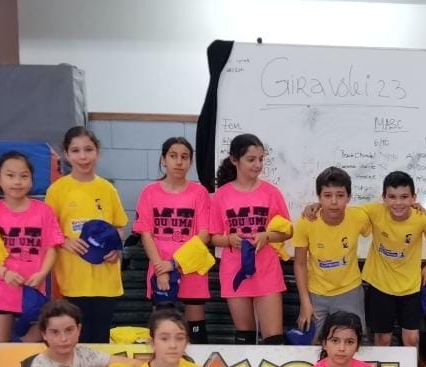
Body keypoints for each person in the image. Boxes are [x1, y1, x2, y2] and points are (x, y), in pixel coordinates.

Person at [45, 126, 128, 343]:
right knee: (76, 341)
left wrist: (115, 248)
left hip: (105, 283)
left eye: (88, 149)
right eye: (76, 150)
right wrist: (65, 241)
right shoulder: (57, 190)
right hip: (73, 281)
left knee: (100, 342)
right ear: (66, 154)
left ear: (97, 152)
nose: (83, 156)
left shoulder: (107, 189)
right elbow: (48, 230)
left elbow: (119, 227)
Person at [211, 133, 292, 344]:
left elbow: (287, 231)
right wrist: (229, 240)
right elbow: (213, 237)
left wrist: (267, 236)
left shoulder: (271, 193)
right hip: (234, 271)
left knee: (273, 338)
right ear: (234, 160)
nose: (257, 165)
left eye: (261, 159)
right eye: (251, 159)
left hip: (267, 270)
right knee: (244, 337)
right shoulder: (221, 195)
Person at [0, 151, 60, 352]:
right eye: (10, 175)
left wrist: (42, 274)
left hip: (33, 291)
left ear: (31, 180)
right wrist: (4, 273)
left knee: (30, 352)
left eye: (23, 176)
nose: (17, 182)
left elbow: (52, 248)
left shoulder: (44, 211)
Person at [135, 137, 214, 342]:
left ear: (191, 162)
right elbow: (145, 233)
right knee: (163, 325)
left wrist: (175, 263)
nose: (179, 162)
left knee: (195, 330)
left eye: (184, 157)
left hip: (191, 267)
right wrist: (161, 268)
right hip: (160, 269)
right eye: (173, 156)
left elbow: (204, 234)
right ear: (163, 159)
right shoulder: (149, 192)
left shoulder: (199, 192)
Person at [361, 171, 426, 349]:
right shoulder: (374, 211)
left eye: (404, 197)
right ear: (384, 198)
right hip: (380, 284)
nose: (398, 203)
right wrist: (318, 206)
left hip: (410, 285)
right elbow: (344, 212)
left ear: (413, 198)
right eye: (392, 197)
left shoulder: (421, 217)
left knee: (411, 338)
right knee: (383, 338)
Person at [292, 167, 370, 334]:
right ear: (319, 197)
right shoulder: (306, 222)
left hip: (350, 291)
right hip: (316, 293)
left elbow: (387, 212)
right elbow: (299, 264)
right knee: (312, 342)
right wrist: (305, 303)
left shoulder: (359, 217)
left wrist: (413, 206)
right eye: (327, 195)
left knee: (351, 339)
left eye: (340, 195)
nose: (334, 201)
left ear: (349, 197)